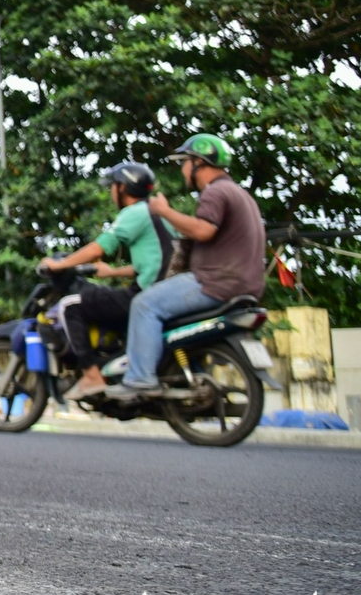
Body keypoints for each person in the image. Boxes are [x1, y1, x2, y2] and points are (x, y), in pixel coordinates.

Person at [110, 133, 266, 398]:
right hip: (244, 285)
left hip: (214, 283)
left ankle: (139, 379)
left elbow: (204, 231)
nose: (182, 170)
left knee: (144, 304)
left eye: (184, 162)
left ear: (198, 163)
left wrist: (165, 211)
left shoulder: (215, 192)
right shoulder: (240, 193)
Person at [38, 162, 175, 401]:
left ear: (123, 187)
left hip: (146, 294)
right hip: (165, 289)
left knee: (71, 305)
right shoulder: (160, 214)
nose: (111, 192)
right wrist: (112, 273)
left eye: (113, 187)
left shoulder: (135, 213)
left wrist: (60, 264)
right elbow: (152, 263)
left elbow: (99, 247)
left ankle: (91, 375)